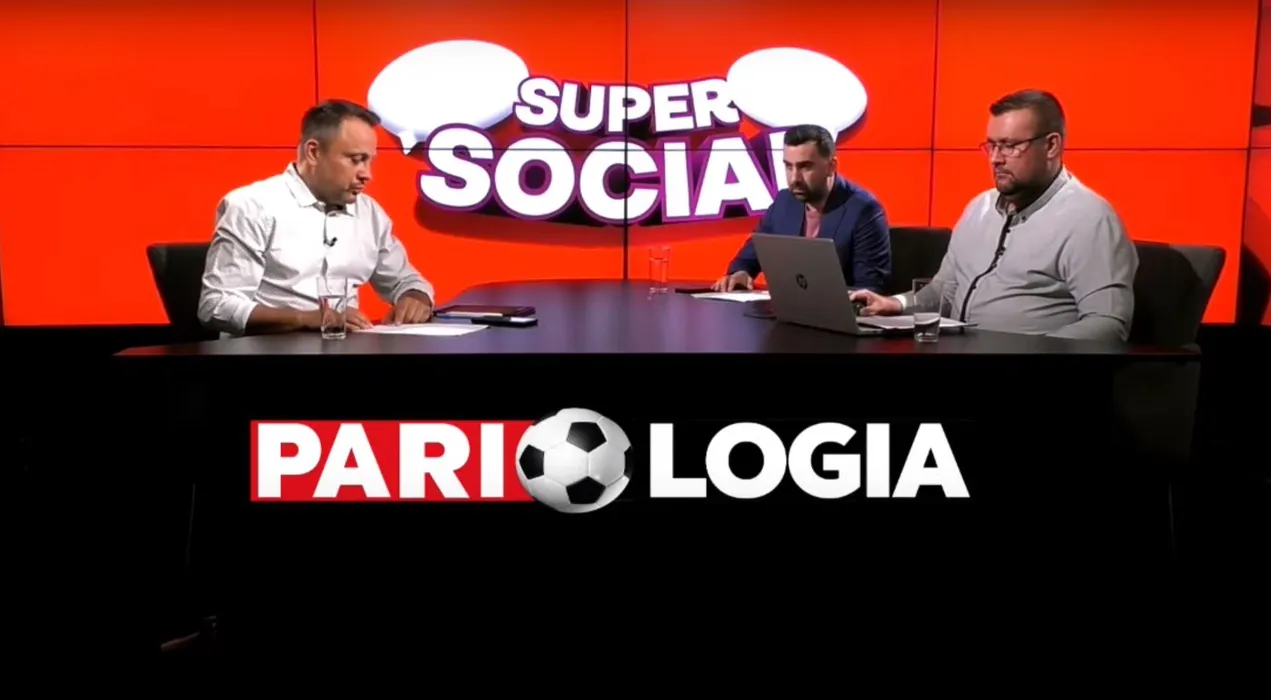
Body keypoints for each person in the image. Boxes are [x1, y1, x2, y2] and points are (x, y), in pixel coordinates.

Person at [850, 89, 1138, 342]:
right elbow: (944, 292)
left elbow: (1107, 324)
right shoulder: (979, 208)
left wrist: (1026, 358)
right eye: (992, 145)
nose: (995, 158)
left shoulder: (1089, 219)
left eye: (1010, 146)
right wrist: (895, 304)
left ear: (1051, 146)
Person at [198, 99, 435, 337]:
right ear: (313, 152)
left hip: (345, 350)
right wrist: (308, 318)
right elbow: (217, 306)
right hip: (266, 351)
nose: (367, 175)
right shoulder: (252, 206)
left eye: (369, 161)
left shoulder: (369, 212)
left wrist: (415, 297)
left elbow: (407, 281)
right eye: (356, 160)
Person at [711, 124, 891, 293]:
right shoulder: (784, 202)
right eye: (789, 166)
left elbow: (870, 290)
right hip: (787, 309)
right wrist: (741, 273)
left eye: (805, 167)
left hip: (841, 314)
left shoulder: (864, 210)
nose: (794, 178)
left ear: (831, 166)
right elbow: (750, 255)